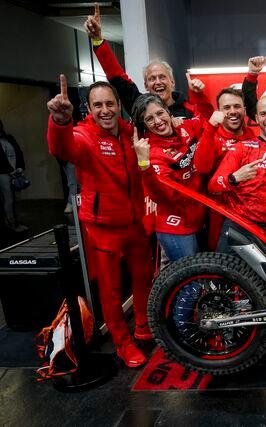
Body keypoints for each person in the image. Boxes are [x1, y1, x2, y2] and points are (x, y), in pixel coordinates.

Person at [47, 76, 154, 368]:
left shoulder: (130, 132)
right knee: (111, 290)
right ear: (88, 109)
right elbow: (62, 149)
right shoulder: (84, 135)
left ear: (119, 105)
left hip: (135, 222)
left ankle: (143, 326)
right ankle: (122, 343)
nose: (105, 110)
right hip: (103, 226)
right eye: (98, 105)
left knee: (143, 277)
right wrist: (59, 122)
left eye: (110, 104)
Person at [84, 4, 212, 119]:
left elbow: (207, 123)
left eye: (162, 77)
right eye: (152, 79)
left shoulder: (189, 109)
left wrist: (199, 96)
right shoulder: (139, 107)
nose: (158, 82)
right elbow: (118, 79)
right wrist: (98, 40)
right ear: (146, 85)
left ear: (172, 82)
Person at [131, 94, 212, 262]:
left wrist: (200, 96)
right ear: (144, 125)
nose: (158, 121)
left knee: (204, 274)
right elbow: (164, 196)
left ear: (168, 111)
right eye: (149, 119)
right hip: (176, 228)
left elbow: (207, 119)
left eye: (160, 113)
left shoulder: (185, 127)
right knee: (190, 278)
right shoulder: (152, 152)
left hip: (199, 218)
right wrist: (144, 165)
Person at [210, 96, 266, 252]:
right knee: (223, 268)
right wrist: (234, 178)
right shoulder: (242, 147)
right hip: (238, 225)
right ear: (256, 118)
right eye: (263, 114)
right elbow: (213, 186)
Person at [193, 88, 256, 249]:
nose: (233, 111)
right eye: (227, 107)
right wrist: (210, 126)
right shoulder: (212, 135)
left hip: (248, 211)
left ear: (244, 110)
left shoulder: (252, 136)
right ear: (219, 112)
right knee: (221, 257)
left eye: (237, 106)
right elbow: (201, 168)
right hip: (219, 213)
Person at [0, 119, 28, 233]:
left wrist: (20, 167)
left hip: (15, 172)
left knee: (15, 198)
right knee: (8, 199)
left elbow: (19, 152)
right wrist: (10, 170)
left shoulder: (9, 138)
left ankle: (14, 222)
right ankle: (12, 224)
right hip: (3, 174)